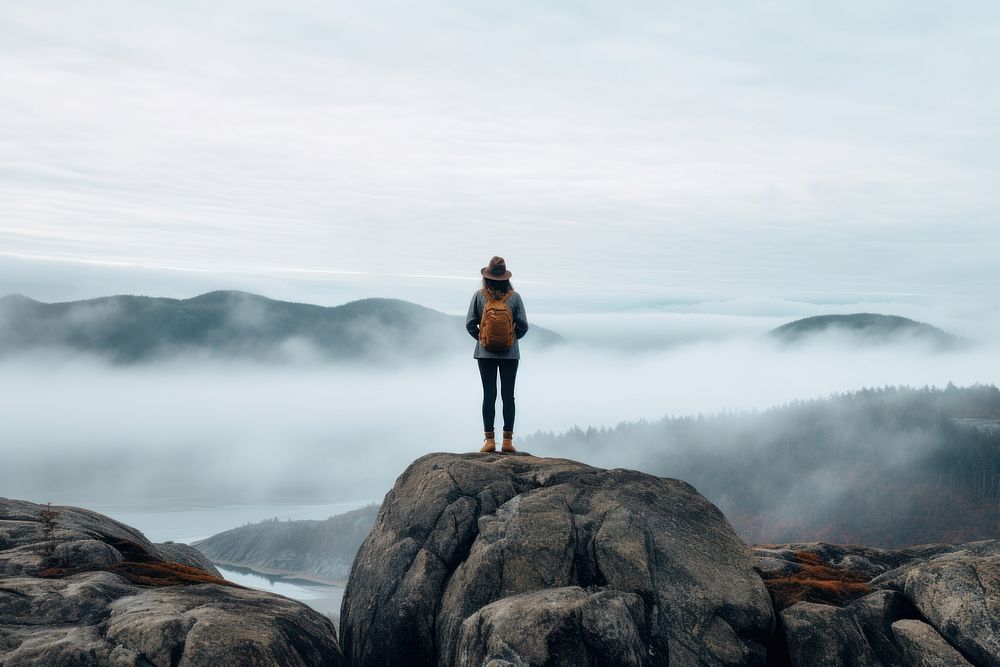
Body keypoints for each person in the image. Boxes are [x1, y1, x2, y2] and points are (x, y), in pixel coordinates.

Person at [466, 256, 529, 453]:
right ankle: (508, 442)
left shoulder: (479, 295)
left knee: (489, 395)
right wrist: (510, 339)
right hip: (510, 354)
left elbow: (470, 324)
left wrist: (484, 339)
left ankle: (489, 441)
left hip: (485, 355)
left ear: (487, 277)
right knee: (508, 396)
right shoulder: (515, 297)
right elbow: (524, 326)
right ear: (505, 277)